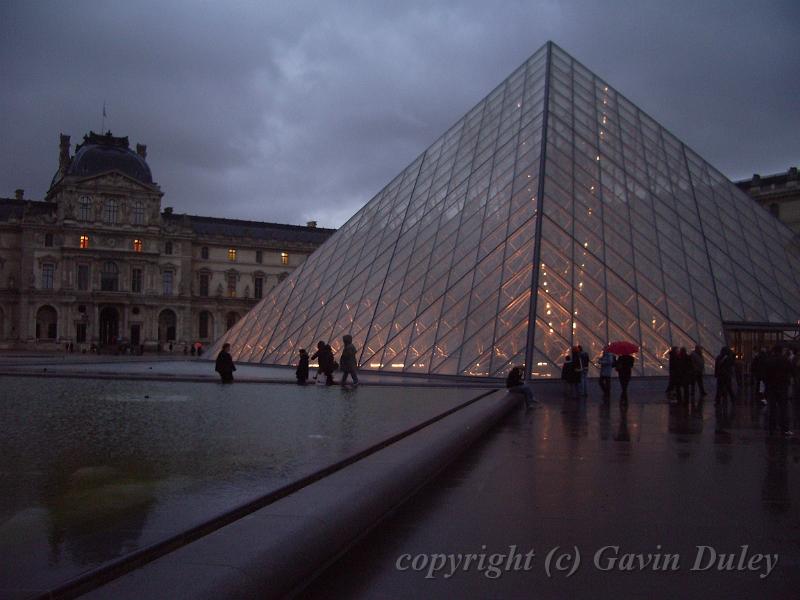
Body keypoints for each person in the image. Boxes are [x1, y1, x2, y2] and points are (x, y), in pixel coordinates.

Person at [762, 345, 792, 436]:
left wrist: (767, 385)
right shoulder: (785, 360)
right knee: (783, 409)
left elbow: (765, 375)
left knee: (772, 409)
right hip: (782, 387)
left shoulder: (769, 361)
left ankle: (772, 428)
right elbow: (790, 372)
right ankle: (784, 429)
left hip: (772, 387)